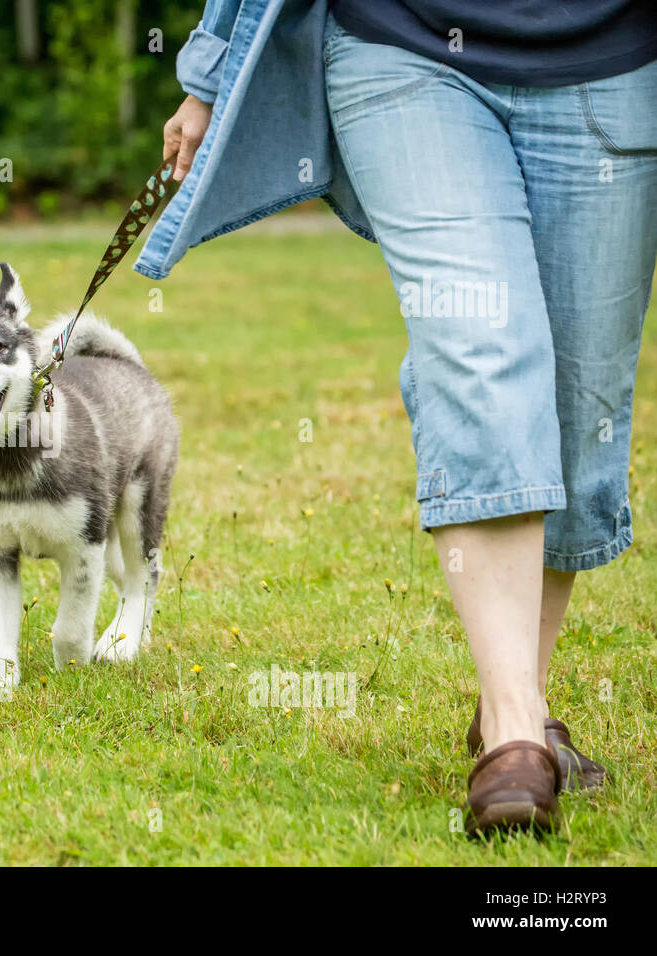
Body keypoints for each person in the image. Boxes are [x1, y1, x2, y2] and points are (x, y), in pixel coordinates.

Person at [148, 0, 657, 834]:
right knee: (480, 345)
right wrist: (210, 75)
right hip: (405, 47)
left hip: (616, 61)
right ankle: (518, 739)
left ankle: (512, 704)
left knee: (577, 407)